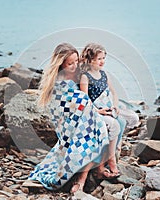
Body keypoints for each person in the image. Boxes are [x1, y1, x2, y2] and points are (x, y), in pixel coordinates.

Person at [28, 43, 109, 193]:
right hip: (68, 124)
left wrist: (93, 107)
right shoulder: (58, 82)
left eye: (76, 61)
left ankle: (92, 173)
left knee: (100, 128)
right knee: (94, 133)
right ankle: (82, 178)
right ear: (61, 64)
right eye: (70, 63)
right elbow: (63, 105)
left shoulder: (79, 73)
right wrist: (90, 109)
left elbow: (85, 95)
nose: (74, 65)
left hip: (82, 117)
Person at [79, 43, 127, 177]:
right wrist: (98, 111)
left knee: (123, 122)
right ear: (90, 60)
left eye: (103, 58)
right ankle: (107, 160)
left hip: (108, 108)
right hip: (95, 112)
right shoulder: (85, 77)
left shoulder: (104, 74)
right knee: (114, 126)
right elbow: (85, 99)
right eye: (99, 58)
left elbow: (114, 93)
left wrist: (115, 106)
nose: (102, 61)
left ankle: (110, 154)